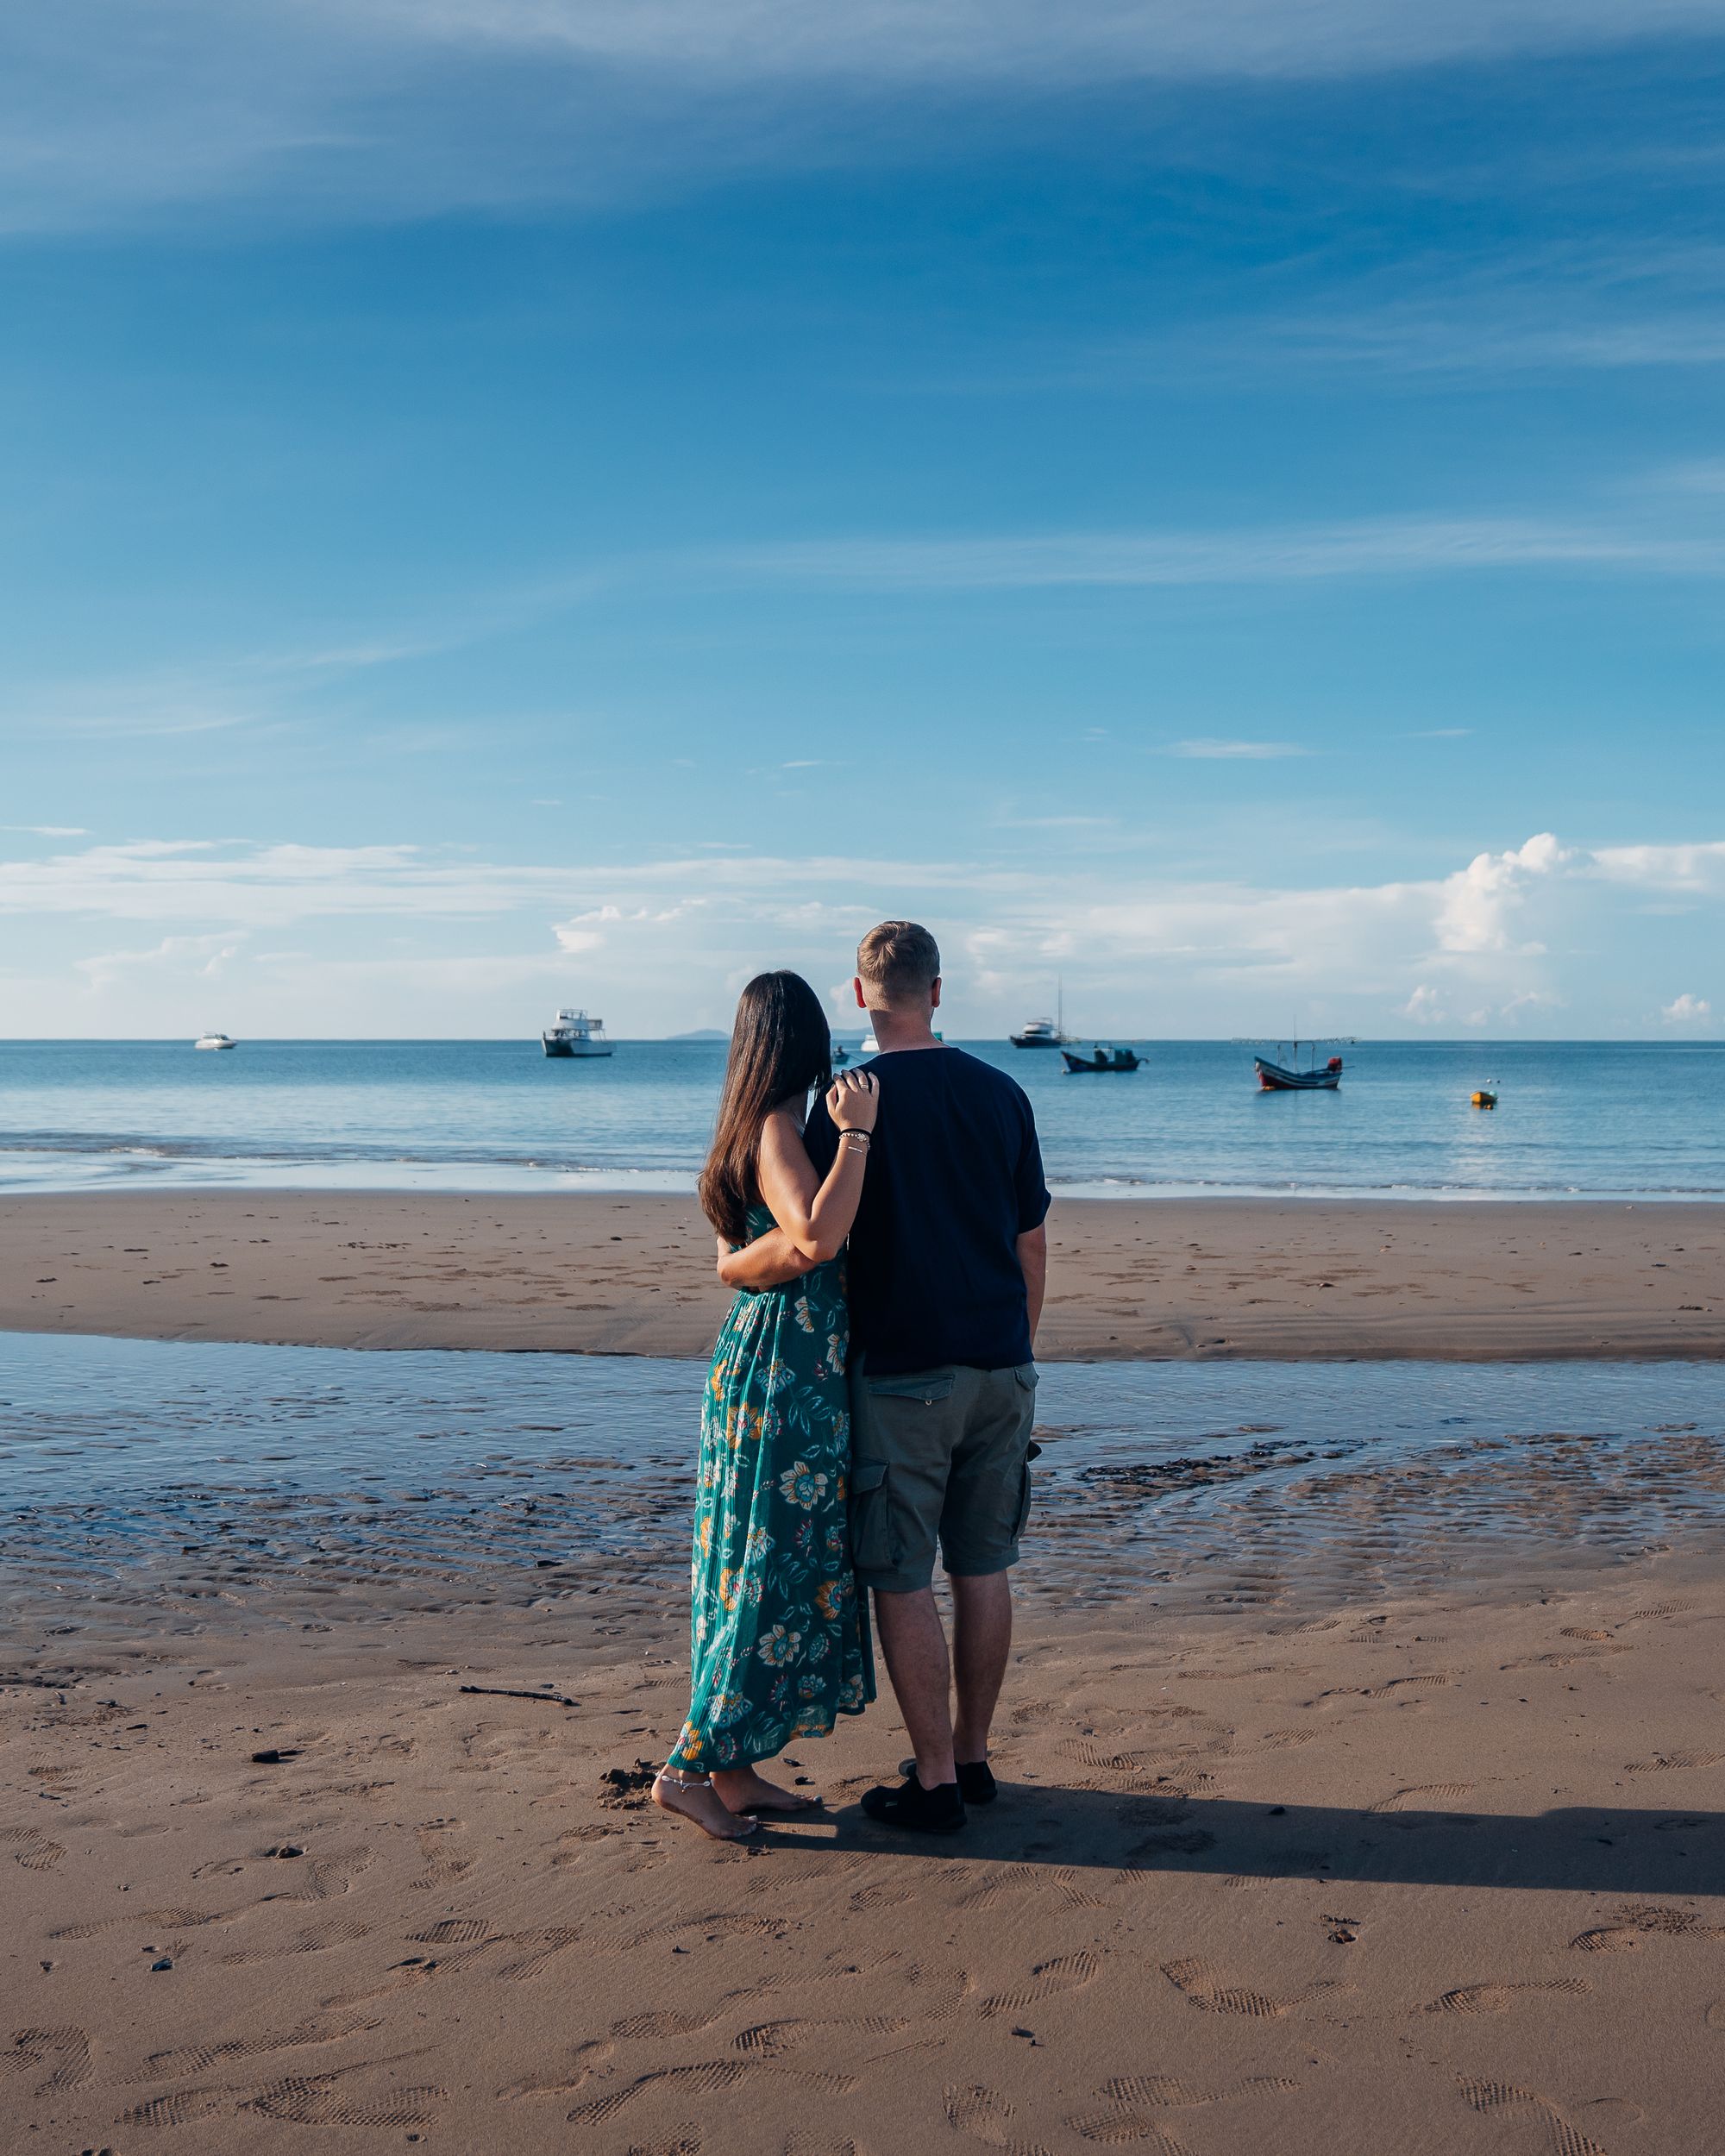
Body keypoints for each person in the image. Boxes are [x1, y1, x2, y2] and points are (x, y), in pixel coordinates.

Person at [725, 922, 1049, 1833]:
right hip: (1001, 1364)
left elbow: (812, 1240)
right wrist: (1015, 1354)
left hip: (904, 1371)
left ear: (859, 995)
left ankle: (937, 1778)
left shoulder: (843, 1104)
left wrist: (729, 1264)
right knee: (985, 1565)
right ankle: (974, 1757)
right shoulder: (1003, 1093)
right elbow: (1029, 1244)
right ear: (937, 992)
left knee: (901, 1576)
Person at [652, 970, 879, 1842]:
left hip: (758, 1361)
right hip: (784, 1370)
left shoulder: (739, 1130)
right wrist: (855, 1137)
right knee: (761, 1567)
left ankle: (735, 1771)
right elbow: (818, 1238)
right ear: (805, 1045)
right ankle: (685, 1767)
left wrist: (772, 1254)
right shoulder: (779, 1130)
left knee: (742, 1563)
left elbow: (730, 1261)